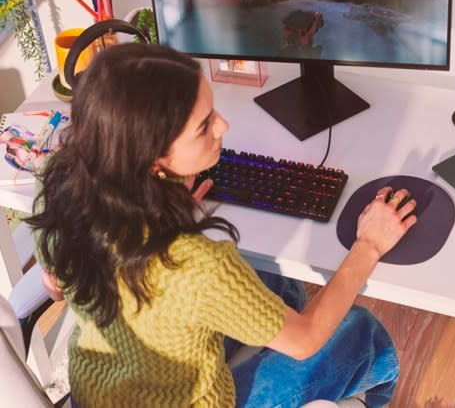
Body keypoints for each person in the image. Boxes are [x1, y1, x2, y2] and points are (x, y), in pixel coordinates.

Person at [27, 43, 417, 407]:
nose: (223, 126)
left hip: (94, 391)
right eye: (203, 126)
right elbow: (306, 340)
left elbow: (57, 288)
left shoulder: (60, 183)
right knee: (361, 332)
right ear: (152, 161)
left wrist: (162, 210)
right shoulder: (194, 265)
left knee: (278, 287)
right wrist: (369, 245)